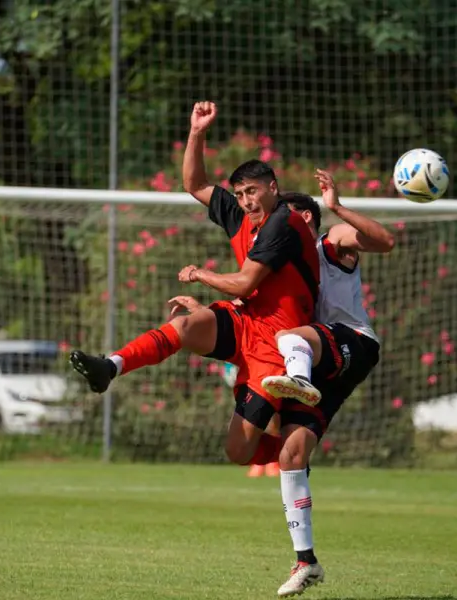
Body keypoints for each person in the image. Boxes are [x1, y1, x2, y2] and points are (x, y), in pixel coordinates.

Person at [168, 173, 395, 597]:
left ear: (304, 217)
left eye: (284, 216)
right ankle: (306, 560)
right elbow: (243, 308)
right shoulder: (281, 267)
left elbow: (385, 241)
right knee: (291, 455)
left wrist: (339, 207)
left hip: (352, 346)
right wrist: (204, 310)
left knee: (291, 338)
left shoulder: (330, 244)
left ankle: (296, 379)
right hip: (313, 362)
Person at [69, 101, 320, 468]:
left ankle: (292, 455)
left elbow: (244, 281)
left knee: (238, 453)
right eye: (239, 194)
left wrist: (200, 274)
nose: (246, 201)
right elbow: (194, 183)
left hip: (279, 345)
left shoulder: (284, 222)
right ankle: (111, 366)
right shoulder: (241, 217)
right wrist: (197, 131)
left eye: (252, 191)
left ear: (273, 188)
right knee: (183, 326)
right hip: (246, 323)